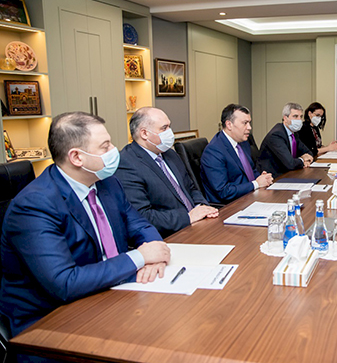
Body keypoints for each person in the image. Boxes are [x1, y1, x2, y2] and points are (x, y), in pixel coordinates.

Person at [0, 112, 171, 337]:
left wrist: (154, 256)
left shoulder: (108, 182)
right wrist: (139, 257)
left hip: (110, 293)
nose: (114, 150)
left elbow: (140, 225)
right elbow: (64, 283)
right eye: (105, 146)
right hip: (49, 320)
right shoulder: (34, 205)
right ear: (76, 157)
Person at [116, 107, 218, 237]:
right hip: (170, 235)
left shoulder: (170, 154)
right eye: (164, 128)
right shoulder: (126, 163)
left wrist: (202, 207)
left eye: (169, 126)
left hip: (198, 224)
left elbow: (190, 188)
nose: (170, 132)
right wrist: (187, 217)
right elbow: (143, 216)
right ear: (144, 133)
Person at [201, 104, 274, 204]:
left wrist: (262, 178)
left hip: (249, 197)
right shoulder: (213, 151)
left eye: (249, 123)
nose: (249, 127)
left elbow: (251, 170)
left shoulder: (242, 142)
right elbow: (224, 191)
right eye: (245, 123)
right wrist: (256, 184)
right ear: (229, 125)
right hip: (230, 205)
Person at [258, 102, 314, 178]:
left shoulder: (294, 133)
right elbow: (290, 163)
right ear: (285, 118)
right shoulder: (276, 135)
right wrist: (302, 160)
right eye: (295, 116)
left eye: (300, 116)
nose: (299, 120)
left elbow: (308, 152)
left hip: (287, 172)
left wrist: (306, 158)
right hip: (273, 177)